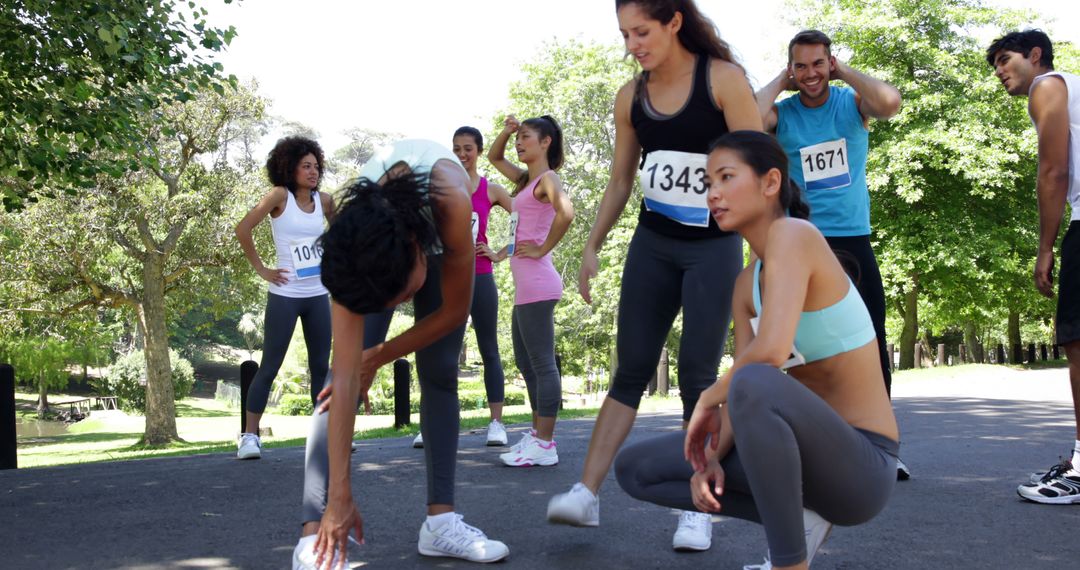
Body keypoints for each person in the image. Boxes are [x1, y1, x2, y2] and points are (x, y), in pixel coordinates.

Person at [615, 130, 900, 570]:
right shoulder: (745, 286)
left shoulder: (795, 235)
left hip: (863, 466)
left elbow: (768, 355)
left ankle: (790, 563)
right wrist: (709, 459)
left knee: (752, 379)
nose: (713, 193)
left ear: (770, 183)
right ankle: (798, 516)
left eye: (726, 177)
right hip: (804, 466)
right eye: (708, 183)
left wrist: (708, 397)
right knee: (635, 468)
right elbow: (744, 390)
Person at [547, 0, 761, 552]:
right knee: (630, 367)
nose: (632, 44)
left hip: (713, 248)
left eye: (641, 31)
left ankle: (700, 505)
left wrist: (767, 254)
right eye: (624, 34)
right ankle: (586, 493)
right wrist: (591, 244)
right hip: (654, 244)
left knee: (697, 373)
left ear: (674, 22)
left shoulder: (723, 81)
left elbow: (762, 167)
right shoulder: (631, 97)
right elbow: (621, 180)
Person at [292, 140, 509, 569]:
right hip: (381, 241)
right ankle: (314, 537)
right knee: (338, 382)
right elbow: (347, 371)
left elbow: (454, 311)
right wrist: (340, 496)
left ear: (414, 247)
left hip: (440, 237)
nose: (395, 306)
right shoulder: (352, 240)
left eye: (399, 296)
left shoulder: (453, 200)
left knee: (441, 371)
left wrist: (380, 354)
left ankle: (440, 525)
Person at [754, 29, 907, 479]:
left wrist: (846, 74)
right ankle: (814, 446)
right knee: (799, 345)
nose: (810, 74)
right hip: (800, 241)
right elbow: (744, 121)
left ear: (831, 63)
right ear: (791, 69)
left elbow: (891, 101)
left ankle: (883, 449)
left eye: (818, 64)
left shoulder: (849, 104)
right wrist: (779, 83)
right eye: (800, 66)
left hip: (852, 239)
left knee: (870, 338)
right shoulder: (782, 114)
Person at [988, 29, 1080, 505]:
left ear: (1035, 55)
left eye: (1005, 60)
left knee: (1077, 343)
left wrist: (1046, 248)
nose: (1001, 72)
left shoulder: (1049, 85)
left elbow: (1054, 170)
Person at [234, 136, 334, 460]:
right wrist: (262, 269)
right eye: (306, 166)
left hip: (318, 295)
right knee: (269, 367)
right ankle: (249, 437)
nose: (313, 172)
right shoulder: (280, 196)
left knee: (321, 368)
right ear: (289, 167)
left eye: (316, 166)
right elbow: (243, 228)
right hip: (285, 295)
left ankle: (324, 437)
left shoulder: (325, 201)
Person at [486, 114, 574, 467]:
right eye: (518, 138)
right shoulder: (526, 181)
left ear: (545, 142)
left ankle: (546, 444)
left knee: (541, 363)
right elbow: (493, 157)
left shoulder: (547, 179)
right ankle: (537, 436)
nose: (519, 143)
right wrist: (506, 132)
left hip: (539, 281)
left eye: (525, 137)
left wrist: (541, 248)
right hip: (527, 285)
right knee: (526, 361)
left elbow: (566, 212)